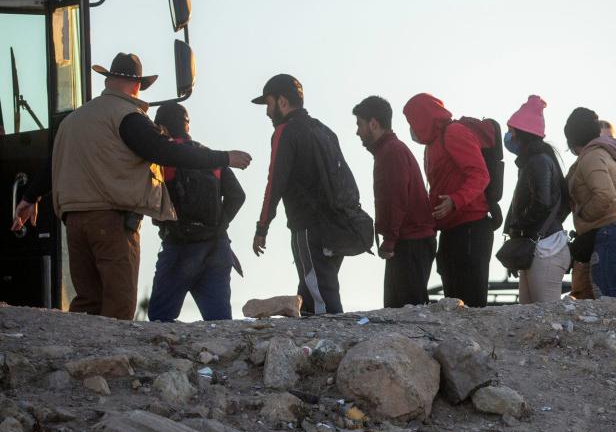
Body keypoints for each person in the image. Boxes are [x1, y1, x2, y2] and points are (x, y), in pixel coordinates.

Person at [11, 53, 251, 320]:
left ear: (109, 79)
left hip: (75, 223)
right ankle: (112, 362)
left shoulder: (73, 120)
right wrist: (224, 157)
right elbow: (164, 151)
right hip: (112, 223)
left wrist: (29, 197)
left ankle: (82, 359)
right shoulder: (128, 116)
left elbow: (53, 164)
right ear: (137, 85)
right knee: (119, 304)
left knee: (88, 302)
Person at [252, 74, 361, 315]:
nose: (267, 112)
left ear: (282, 102)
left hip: (310, 228)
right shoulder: (323, 130)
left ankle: (333, 345)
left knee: (321, 295)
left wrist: (262, 227)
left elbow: (275, 183)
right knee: (312, 290)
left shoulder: (285, 131)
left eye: (269, 104)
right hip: (338, 226)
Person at [147, 104, 246, 322]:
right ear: (187, 125)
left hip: (179, 249)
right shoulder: (212, 158)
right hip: (217, 249)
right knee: (220, 325)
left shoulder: (164, 160)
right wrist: (219, 226)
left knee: (159, 322)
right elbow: (238, 196)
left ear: (161, 128)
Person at [402, 93, 493, 307]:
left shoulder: (454, 133)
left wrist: (455, 200)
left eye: (412, 121)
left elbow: (481, 175)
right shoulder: (432, 145)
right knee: (453, 303)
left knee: (469, 304)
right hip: (451, 229)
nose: (411, 128)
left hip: (470, 228)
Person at [353, 95, 437, 308]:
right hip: (408, 240)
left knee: (407, 312)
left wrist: (390, 239)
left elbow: (397, 198)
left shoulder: (392, 152)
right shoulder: (389, 151)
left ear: (373, 124)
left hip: (411, 242)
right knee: (400, 309)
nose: (358, 132)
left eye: (360, 125)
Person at [564, 107, 616, 301]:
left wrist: (582, 215)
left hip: (610, 233)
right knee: (614, 304)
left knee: (610, 307)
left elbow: (605, 195)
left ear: (571, 139)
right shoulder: (603, 153)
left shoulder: (591, 157)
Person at [503, 96, 570, 304]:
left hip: (545, 250)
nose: (509, 136)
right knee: (531, 318)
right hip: (538, 249)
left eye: (512, 131)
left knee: (547, 320)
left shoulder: (538, 162)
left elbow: (541, 204)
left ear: (521, 134)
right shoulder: (534, 161)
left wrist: (517, 225)